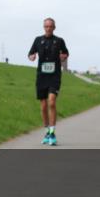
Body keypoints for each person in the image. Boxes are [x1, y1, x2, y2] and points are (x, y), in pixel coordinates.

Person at [27, 18, 69, 146]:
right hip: (41, 76)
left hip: (54, 76)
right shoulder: (38, 40)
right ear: (43, 27)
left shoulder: (59, 41)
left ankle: (52, 133)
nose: (48, 28)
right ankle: (46, 131)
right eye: (46, 26)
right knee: (44, 105)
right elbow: (30, 53)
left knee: (51, 102)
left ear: (54, 27)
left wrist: (63, 56)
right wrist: (32, 57)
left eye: (50, 26)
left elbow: (66, 53)